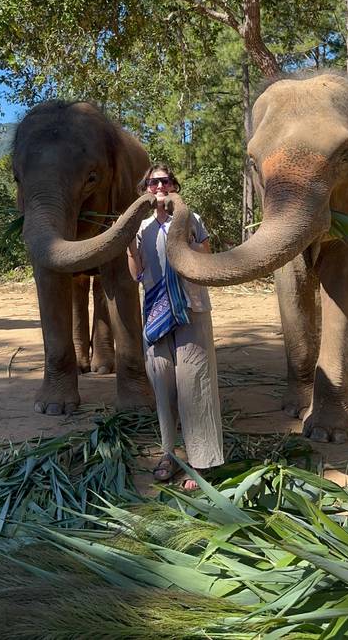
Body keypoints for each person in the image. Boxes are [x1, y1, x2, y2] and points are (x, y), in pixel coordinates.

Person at [127, 163, 224, 491]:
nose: (158, 186)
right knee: (163, 387)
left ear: (174, 186)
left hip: (191, 309)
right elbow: (136, 273)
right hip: (156, 316)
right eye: (152, 182)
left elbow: (206, 259)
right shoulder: (141, 229)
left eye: (164, 181)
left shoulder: (191, 219)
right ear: (145, 189)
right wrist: (127, 243)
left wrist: (183, 238)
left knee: (195, 383)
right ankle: (168, 453)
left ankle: (202, 461)